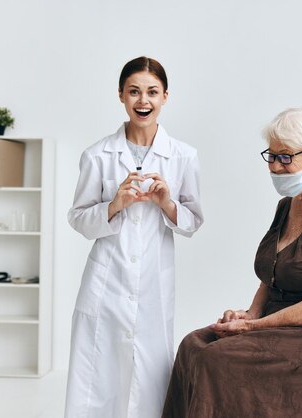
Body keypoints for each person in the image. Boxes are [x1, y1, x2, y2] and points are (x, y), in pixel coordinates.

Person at [162, 108, 302, 418]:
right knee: (194, 345)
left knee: (219, 359)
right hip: (289, 321)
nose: (276, 167)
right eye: (272, 156)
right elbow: (272, 275)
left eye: (286, 157)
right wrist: (249, 313)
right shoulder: (292, 202)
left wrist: (252, 326)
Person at [65, 56, 204, 418]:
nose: (143, 101)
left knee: (149, 377)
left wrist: (166, 203)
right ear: (121, 96)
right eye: (135, 92)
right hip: (105, 283)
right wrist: (114, 204)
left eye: (152, 92)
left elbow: (192, 221)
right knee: (99, 377)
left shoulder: (184, 157)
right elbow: (79, 219)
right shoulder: (97, 156)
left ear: (165, 97)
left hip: (154, 284)